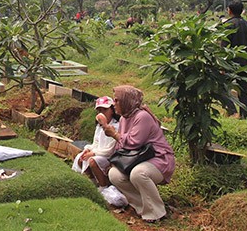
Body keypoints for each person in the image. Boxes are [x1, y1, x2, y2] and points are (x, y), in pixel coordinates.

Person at [103, 86, 175, 223]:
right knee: (114, 174)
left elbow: (133, 143)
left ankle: (156, 213)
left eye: (117, 100)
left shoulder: (142, 117)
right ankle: (143, 207)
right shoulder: (125, 118)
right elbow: (122, 146)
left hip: (159, 159)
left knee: (138, 173)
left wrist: (114, 134)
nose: (114, 104)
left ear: (127, 101)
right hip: (138, 159)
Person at [72, 96, 119, 187]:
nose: (102, 113)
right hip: (98, 152)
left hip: (109, 156)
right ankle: (93, 182)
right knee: (80, 157)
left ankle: (103, 185)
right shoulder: (99, 127)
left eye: (104, 110)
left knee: (93, 161)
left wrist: (93, 153)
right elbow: (96, 142)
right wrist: (88, 149)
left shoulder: (115, 127)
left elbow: (110, 149)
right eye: (99, 111)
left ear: (112, 110)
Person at [222, 1, 247, 119]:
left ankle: (232, 110)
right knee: (243, 91)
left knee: (223, 88)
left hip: (231, 63)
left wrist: (222, 64)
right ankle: (244, 115)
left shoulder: (227, 25)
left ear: (229, 10)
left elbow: (224, 47)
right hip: (246, 63)